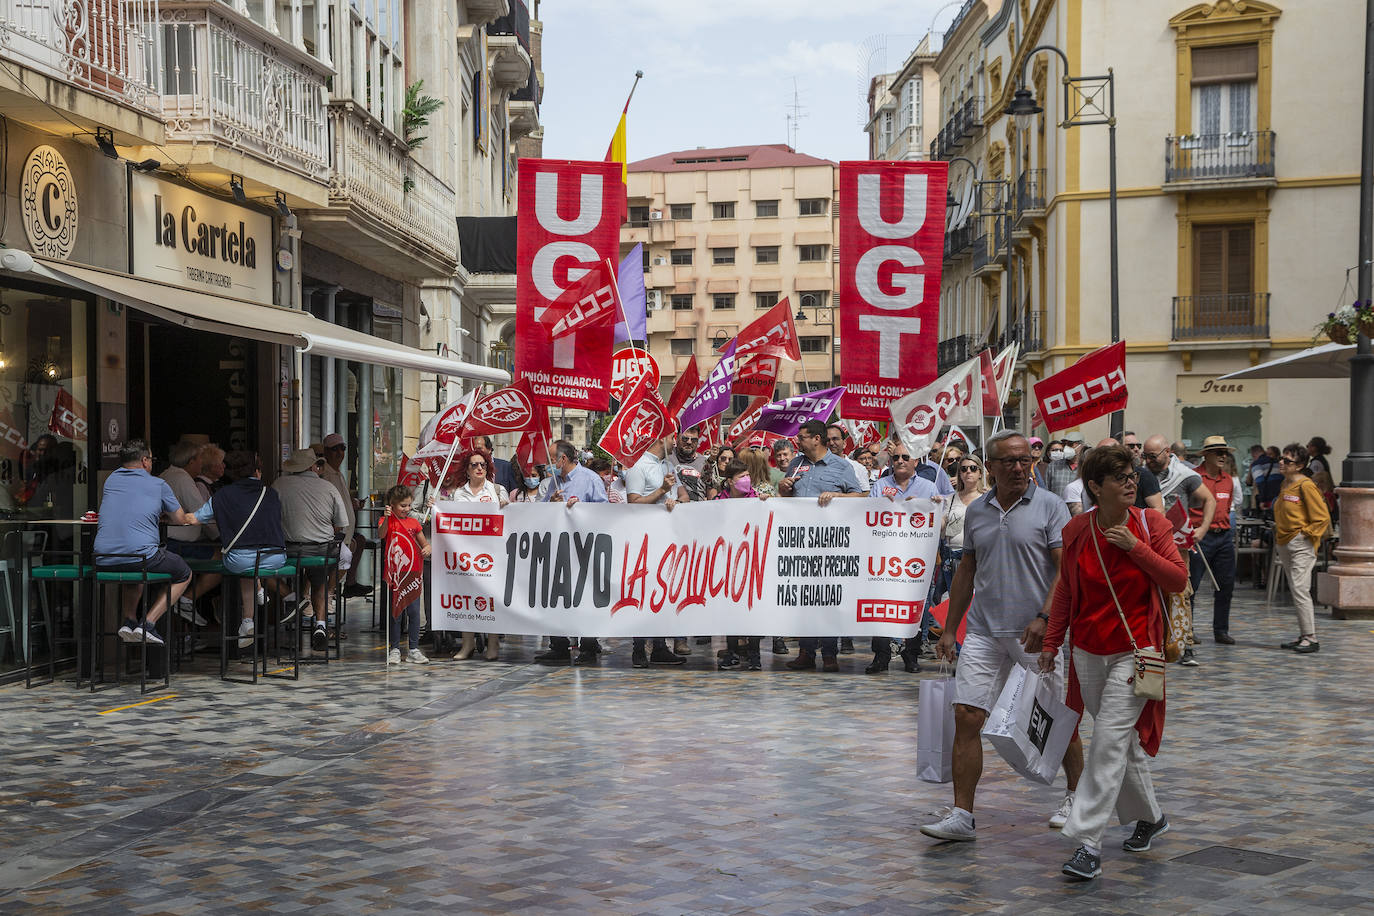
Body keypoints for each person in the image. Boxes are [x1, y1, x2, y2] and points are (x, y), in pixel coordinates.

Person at [921, 430, 1082, 843]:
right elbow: (967, 570)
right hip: (984, 630)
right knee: (966, 715)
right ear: (990, 466)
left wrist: (1045, 618)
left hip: (1036, 632)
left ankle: (1076, 798)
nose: (1018, 468)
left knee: (1055, 718)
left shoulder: (1051, 506)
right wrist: (950, 628)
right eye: (1009, 461)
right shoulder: (977, 510)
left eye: (1025, 460)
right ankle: (962, 814)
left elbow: (1065, 570)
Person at [1038, 444, 1188, 881]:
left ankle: (1087, 842)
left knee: (1106, 741)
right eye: (1120, 477)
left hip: (1137, 652)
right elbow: (1066, 590)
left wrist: (1136, 548)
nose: (1130, 483)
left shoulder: (1151, 524)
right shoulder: (1077, 530)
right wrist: (1052, 642)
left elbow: (1177, 579)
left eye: (1132, 476)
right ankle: (1151, 817)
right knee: (1121, 743)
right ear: (1095, 486)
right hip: (1087, 651)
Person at [93, 439, 200, 647]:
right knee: (184, 572)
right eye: (151, 459)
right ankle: (148, 623)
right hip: (141, 555)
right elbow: (180, 519)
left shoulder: (111, 480)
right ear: (144, 461)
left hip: (103, 557)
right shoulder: (158, 484)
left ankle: (129, 620)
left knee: (134, 570)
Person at [780, 419, 865, 672]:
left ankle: (829, 653)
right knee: (804, 600)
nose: (798, 441)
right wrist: (783, 488)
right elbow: (786, 498)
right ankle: (805, 652)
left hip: (829, 546)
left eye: (802, 437)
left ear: (817, 439)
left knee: (827, 600)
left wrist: (838, 496)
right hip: (799, 545)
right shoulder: (796, 464)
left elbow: (859, 496)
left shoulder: (841, 466)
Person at [193, 451, 291, 650]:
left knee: (244, 564)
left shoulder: (222, 495)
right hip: (275, 557)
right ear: (257, 471)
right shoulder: (271, 493)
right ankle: (248, 618)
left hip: (241, 559)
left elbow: (195, 519)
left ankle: (251, 612)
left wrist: (174, 517)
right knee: (251, 565)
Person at [864, 439, 943, 675]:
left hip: (916, 559)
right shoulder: (880, 485)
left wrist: (929, 507)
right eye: (896, 457)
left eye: (905, 457)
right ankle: (881, 656)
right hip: (885, 558)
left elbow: (939, 521)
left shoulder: (929, 488)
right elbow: (867, 515)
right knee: (881, 606)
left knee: (916, 606)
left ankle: (911, 654)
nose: (899, 461)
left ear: (916, 461)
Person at [534, 442, 609, 665]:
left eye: (552, 459)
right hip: (558, 548)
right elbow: (539, 512)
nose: (549, 464)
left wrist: (580, 509)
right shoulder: (553, 483)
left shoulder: (590, 479)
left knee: (584, 597)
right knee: (555, 596)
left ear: (563, 459)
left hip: (584, 548)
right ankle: (558, 645)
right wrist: (552, 503)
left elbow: (604, 511)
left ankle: (588, 646)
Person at [272, 447, 349, 652]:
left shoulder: (279, 485)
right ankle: (321, 625)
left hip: (289, 550)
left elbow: (270, 518)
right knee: (319, 579)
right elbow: (340, 524)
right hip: (321, 550)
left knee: (259, 567)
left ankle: (291, 596)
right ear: (313, 466)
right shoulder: (328, 487)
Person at [622, 435, 684, 669]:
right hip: (644, 540)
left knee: (663, 591)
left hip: (668, 539)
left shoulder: (668, 466)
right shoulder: (637, 467)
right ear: (660, 438)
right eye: (672, 436)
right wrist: (662, 491)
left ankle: (659, 646)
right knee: (642, 593)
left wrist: (677, 501)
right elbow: (633, 503)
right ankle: (638, 648)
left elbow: (682, 495)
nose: (676, 442)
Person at [445, 448, 510, 661]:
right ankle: (468, 643)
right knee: (466, 598)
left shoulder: (497, 491)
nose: (479, 468)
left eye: (483, 464)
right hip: (466, 555)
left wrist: (506, 507)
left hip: (491, 554)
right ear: (467, 469)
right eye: (474, 464)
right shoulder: (458, 494)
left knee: (491, 598)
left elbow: (509, 521)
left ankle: (493, 643)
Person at [1273, 444, 1332, 654]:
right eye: (1281, 459)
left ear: (1299, 465)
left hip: (1300, 543)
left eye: (1287, 461)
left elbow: (1322, 517)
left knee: (1300, 588)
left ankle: (1310, 637)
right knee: (1296, 588)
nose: (1281, 463)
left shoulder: (1306, 485)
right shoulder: (1286, 483)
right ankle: (1304, 634)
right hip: (1284, 541)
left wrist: (1304, 534)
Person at [715, 458, 769, 671]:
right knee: (730, 610)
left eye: (748, 475)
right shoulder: (719, 500)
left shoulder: (757, 498)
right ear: (730, 481)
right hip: (727, 561)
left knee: (752, 610)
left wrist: (765, 504)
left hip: (752, 561)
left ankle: (754, 655)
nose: (747, 479)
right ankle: (732, 652)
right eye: (742, 476)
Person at [160, 439, 221, 627]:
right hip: (177, 544)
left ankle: (183, 617)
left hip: (163, 541)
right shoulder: (182, 478)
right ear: (191, 460)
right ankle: (187, 599)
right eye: (200, 460)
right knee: (224, 559)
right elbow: (202, 513)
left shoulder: (165, 475)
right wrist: (219, 536)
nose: (201, 465)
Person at [1189, 436, 1238, 644]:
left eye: (1225, 453)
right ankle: (1187, 630)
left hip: (1224, 536)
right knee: (1192, 586)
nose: (1223, 456)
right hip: (1200, 537)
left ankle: (1221, 630)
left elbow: (1228, 508)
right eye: (1218, 452)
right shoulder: (1193, 477)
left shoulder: (1228, 480)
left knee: (1226, 585)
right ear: (1206, 455)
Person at [378, 484, 432, 665]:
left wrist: (427, 549)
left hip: (413, 573)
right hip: (395, 574)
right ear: (392, 505)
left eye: (409, 505)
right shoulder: (386, 521)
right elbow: (382, 534)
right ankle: (394, 649)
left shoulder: (414, 523)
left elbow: (424, 544)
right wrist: (386, 518)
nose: (407, 509)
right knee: (396, 612)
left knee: (414, 612)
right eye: (403, 506)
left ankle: (413, 649)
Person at [319, 432, 368, 601]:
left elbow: (340, 498)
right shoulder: (325, 474)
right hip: (334, 533)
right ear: (326, 451)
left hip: (344, 532)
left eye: (343, 448)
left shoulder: (337, 473)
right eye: (335, 449)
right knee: (347, 553)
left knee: (358, 541)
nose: (340, 452)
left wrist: (353, 503)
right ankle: (328, 593)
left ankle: (347, 584)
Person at [1246, 444, 1281, 512]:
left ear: (1254, 454)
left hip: (1267, 498)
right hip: (1279, 497)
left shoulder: (1257, 463)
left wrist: (1262, 500)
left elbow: (1260, 483)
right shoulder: (1277, 462)